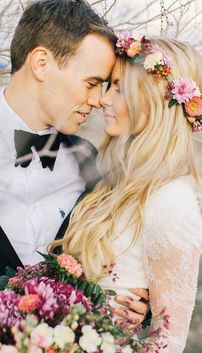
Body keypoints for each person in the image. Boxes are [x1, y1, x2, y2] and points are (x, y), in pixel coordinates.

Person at [51, 33, 202, 352]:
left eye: (120, 89)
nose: (105, 99)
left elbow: (167, 341)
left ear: (153, 101)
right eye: (110, 85)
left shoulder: (172, 201)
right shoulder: (113, 176)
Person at [0, 1, 148, 325]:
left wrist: (134, 307)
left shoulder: (88, 163)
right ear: (41, 63)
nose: (99, 101)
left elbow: (113, 259)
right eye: (92, 83)